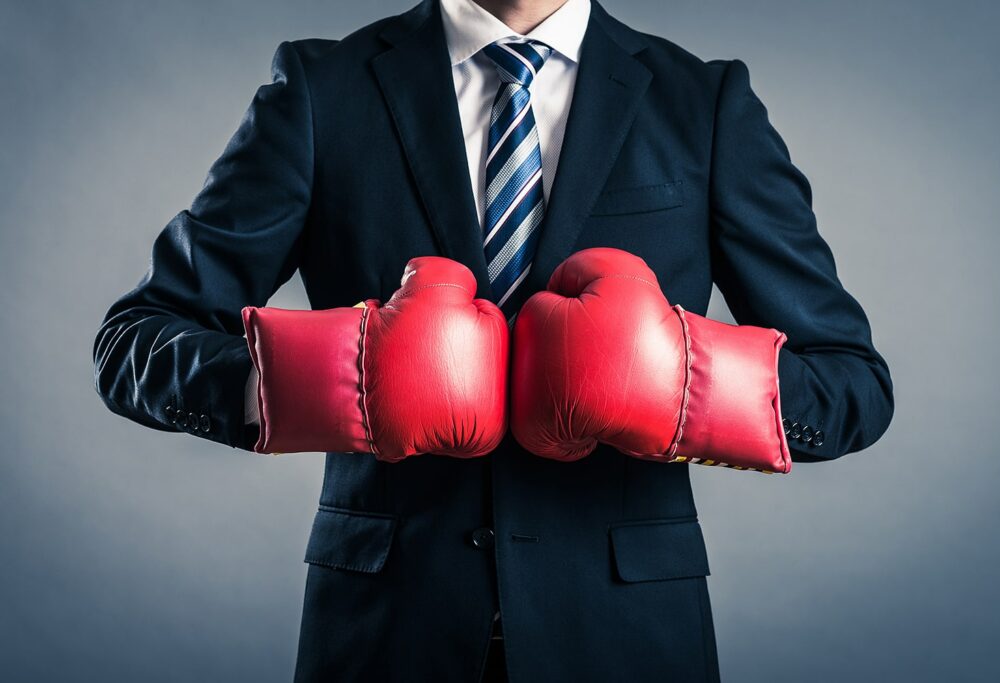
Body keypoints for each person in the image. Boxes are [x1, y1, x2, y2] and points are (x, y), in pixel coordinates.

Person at [92, 0, 895, 680]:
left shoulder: (704, 102)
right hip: (383, 632)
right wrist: (327, 383)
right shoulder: (322, 90)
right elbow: (133, 343)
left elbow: (851, 385)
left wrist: (682, 387)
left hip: (629, 632)